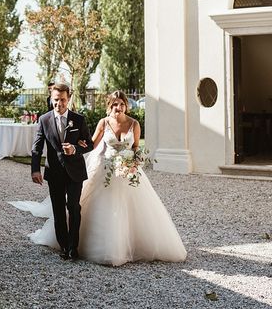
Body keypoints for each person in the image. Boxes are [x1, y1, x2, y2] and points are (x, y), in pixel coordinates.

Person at [13, 90, 187, 266]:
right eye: (114, 104)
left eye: (121, 104)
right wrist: (78, 146)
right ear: (109, 106)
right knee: (95, 207)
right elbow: (90, 144)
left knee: (132, 209)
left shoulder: (134, 124)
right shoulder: (103, 123)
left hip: (128, 172)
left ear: (126, 105)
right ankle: (74, 247)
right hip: (106, 171)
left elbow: (135, 147)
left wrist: (133, 162)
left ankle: (131, 244)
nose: (117, 107)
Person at [29, 84, 93, 260]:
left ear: (68, 99)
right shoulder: (44, 119)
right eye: (56, 100)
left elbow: (90, 143)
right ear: (51, 98)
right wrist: (35, 170)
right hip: (54, 172)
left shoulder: (78, 119)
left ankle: (73, 248)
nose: (59, 103)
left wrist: (75, 149)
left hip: (75, 172)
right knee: (58, 211)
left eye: (63, 100)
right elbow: (37, 148)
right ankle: (64, 247)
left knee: (73, 207)